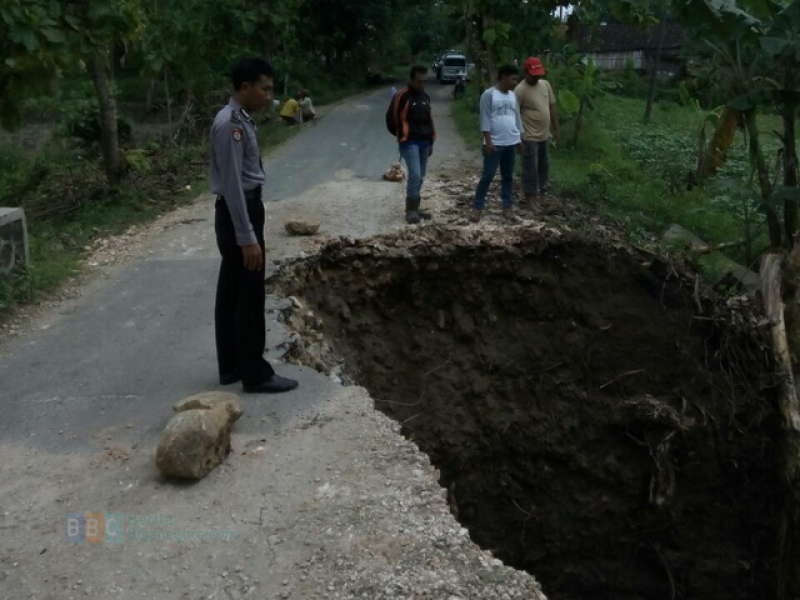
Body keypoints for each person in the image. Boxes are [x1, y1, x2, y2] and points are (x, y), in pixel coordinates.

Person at [209, 57, 298, 394]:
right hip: (240, 210)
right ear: (244, 87)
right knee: (249, 292)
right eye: (265, 89)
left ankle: (231, 364)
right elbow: (233, 184)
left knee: (232, 288)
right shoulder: (230, 124)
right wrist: (247, 237)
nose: (269, 96)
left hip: (239, 209)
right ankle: (255, 373)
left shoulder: (239, 118)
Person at [471, 65, 523, 222]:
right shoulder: (489, 95)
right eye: (513, 79)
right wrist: (488, 141)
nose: (515, 82)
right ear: (503, 77)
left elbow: (517, 118)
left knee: (508, 176)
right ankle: (477, 207)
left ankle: (507, 207)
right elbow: (485, 118)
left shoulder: (513, 96)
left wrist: (519, 139)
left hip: (510, 141)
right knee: (488, 175)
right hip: (494, 142)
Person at [386, 65, 436, 224]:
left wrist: (431, 141)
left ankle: (415, 206)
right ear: (412, 80)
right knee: (414, 174)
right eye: (419, 81)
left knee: (420, 176)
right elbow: (391, 119)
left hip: (424, 142)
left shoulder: (425, 96)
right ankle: (411, 211)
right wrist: (401, 135)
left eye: (424, 81)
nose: (422, 84)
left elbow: (429, 119)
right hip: (409, 142)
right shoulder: (402, 96)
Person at [515, 56, 560, 203]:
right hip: (529, 135)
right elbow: (514, 114)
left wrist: (556, 128)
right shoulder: (520, 90)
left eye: (538, 75)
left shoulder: (545, 84)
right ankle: (530, 197)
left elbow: (552, 106)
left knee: (543, 165)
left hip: (544, 134)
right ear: (526, 72)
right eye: (533, 75)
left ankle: (541, 191)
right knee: (530, 167)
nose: (536, 77)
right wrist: (517, 137)